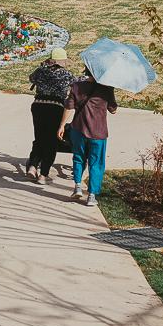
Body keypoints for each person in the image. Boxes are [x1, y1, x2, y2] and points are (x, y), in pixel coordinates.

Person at [57, 66, 118, 206]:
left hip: (78, 129)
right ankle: (91, 196)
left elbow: (68, 107)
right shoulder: (107, 89)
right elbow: (113, 109)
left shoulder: (76, 86)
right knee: (96, 163)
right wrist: (111, 92)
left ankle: (78, 186)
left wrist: (61, 125)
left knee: (78, 158)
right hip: (98, 132)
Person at [26, 47, 75, 184]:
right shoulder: (67, 75)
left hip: (38, 106)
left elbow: (31, 78)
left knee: (39, 137)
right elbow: (77, 84)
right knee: (51, 141)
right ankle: (43, 175)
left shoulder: (41, 71)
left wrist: (43, 67)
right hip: (55, 108)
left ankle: (32, 166)